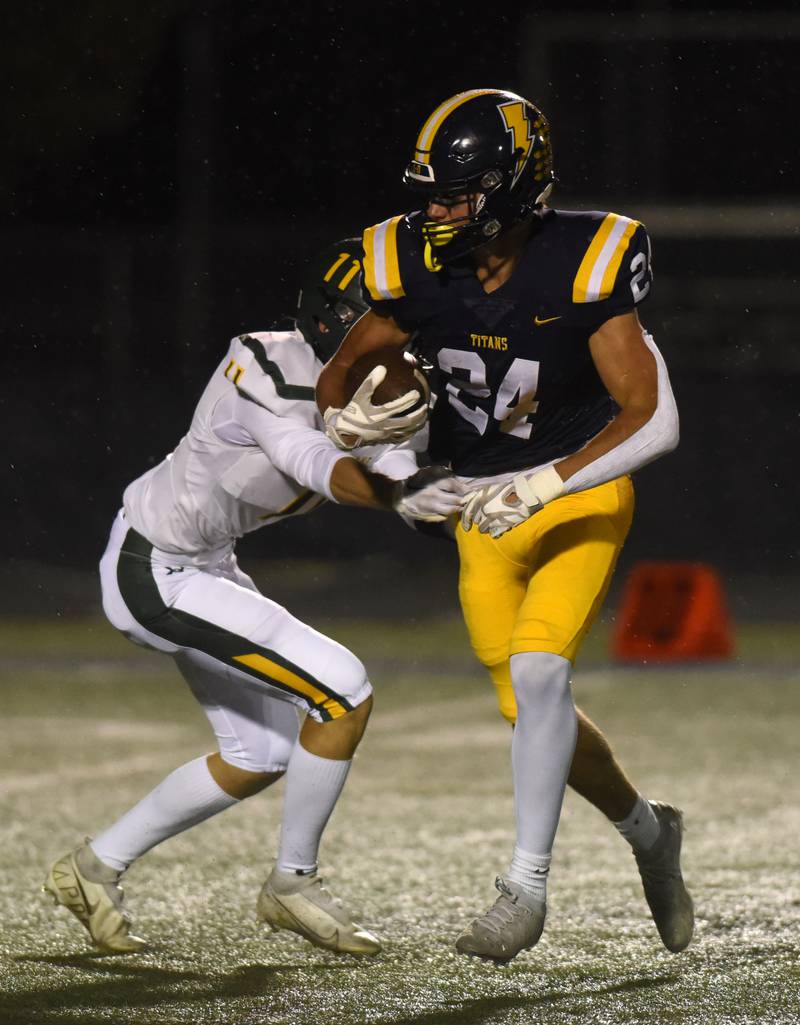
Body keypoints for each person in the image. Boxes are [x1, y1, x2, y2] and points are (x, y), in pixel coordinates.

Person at [316, 88, 693, 964]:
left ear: (516, 184)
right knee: (533, 711)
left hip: (575, 492)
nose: (437, 212)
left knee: (538, 670)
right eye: (432, 194)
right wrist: (352, 424)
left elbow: (654, 417)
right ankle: (648, 833)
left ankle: (524, 887)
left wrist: (548, 482)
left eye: (457, 194)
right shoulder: (412, 263)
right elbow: (340, 377)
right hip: (481, 511)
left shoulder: (584, 259)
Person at [43, 238, 464, 957]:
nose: (406, 336)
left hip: (205, 565)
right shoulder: (264, 361)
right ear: (339, 320)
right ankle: (292, 884)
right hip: (153, 565)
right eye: (391, 319)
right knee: (343, 691)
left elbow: (392, 458)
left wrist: (427, 495)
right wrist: (396, 493)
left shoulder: (380, 382)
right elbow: (311, 459)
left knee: (261, 752)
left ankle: (93, 868)